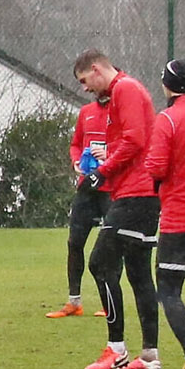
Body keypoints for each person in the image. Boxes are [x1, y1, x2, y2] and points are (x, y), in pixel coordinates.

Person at [75, 50, 163, 369]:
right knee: (139, 272)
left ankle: (116, 348)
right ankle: (150, 355)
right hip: (140, 192)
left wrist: (104, 169)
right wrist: (107, 154)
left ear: (96, 69)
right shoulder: (125, 91)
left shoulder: (125, 89)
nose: (86, 88)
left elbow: (136, 140)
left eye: (85, 80)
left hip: (136, 195)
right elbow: (134, 139)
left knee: (99, 263)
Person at [145, 59, 185, 369]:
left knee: (168, 290)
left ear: (169, 85)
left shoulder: (167, 119)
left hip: (181, 218)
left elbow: (156, 167)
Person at [52, 92, 111, 317]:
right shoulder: (86, 112)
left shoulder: (122, 112)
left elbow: (132, 146)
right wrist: (76, 161)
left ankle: (109, 303)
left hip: (111, 188)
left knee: (110, 248)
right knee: (74, 242)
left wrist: (108, 154)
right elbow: (76, 144)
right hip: (87, 188)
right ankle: (74, 301)